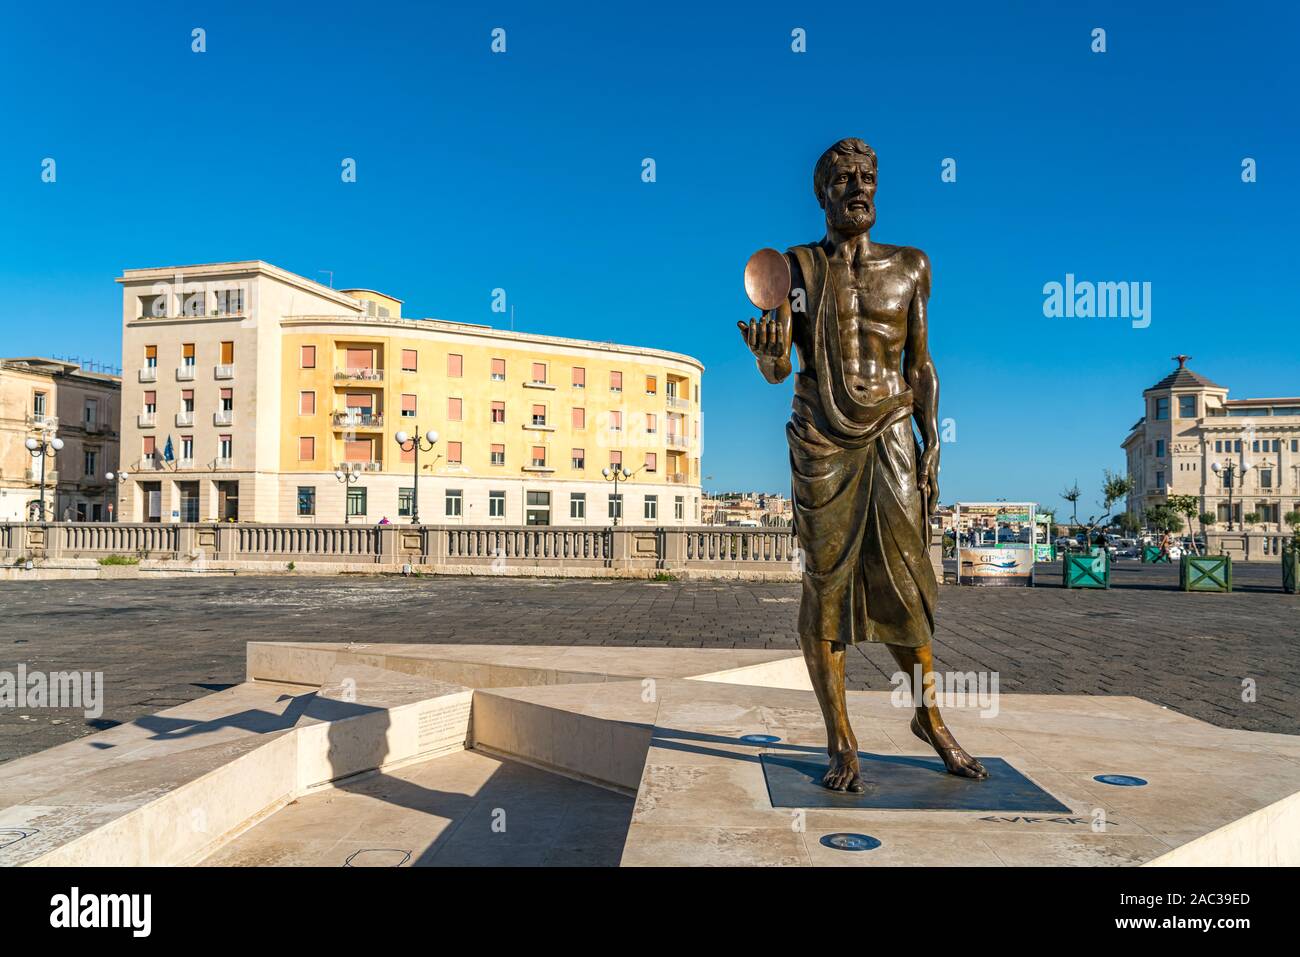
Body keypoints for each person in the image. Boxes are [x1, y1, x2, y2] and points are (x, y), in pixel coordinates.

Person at [738, 137, 986, 792]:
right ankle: (841, 739)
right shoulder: (793, 268)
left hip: (894, 434)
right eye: (844, 177)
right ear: (822, 193)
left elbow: (921, 365)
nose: (858, 185)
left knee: (910, 588)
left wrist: (933, 443)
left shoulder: (912, 266)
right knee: (825, 587)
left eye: (867, 175)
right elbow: (779, 366)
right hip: (822, 438)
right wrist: (767, 354)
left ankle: (929, 718)